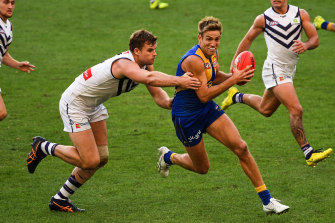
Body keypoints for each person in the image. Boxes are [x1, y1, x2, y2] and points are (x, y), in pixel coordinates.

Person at [26, 29, 201, 213]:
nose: (155, 53)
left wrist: (173, 103)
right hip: (75, 103)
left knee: (101, 158)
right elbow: (150, 78)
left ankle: (59, 199)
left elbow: (158, 94)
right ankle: (42, 147)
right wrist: (180, 81)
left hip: (94, 105)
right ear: (136, 51)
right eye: (150, 50)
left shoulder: (144, 66)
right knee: (90, 160)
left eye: (154, 49)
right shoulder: (124, 64)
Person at [157, 16, 289, 215]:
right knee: (202, 168)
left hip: (206, 110)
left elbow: (214, 75)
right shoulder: (193, 60)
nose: (213, 43)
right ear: (199, 38)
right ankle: (169, 157)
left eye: (217, 39)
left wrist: (235, 77)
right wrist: (233, 80)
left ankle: (267, 200)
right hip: (187, 118)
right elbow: (203, 95)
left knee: (242, 148)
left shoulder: (213, 53)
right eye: (209, 39)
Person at [221, 0, 332, 167]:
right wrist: (234, 64)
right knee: (296, 109)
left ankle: (235, 96)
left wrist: (306, 45)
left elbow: (314, 39)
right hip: (274, 70)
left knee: (265, 110)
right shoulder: (264, 19)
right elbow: (248, 39)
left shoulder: (300, 14)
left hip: (289, 70)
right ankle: (309, 152)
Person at [0, 0, 35, 121]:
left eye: (12, 3)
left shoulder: (8, 26)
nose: (10, 6)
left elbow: (4, 55)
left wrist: (17, 65)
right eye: (5, 2)